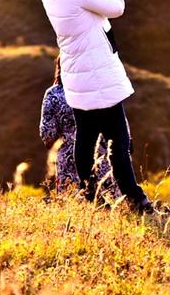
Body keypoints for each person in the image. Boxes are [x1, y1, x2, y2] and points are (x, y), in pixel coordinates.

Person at [36, 0, 155, 213]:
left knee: (86, 137)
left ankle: (91, 196)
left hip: (76, 70)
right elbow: (115, 8)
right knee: (119, 140)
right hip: (96, 72)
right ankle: (136, 200)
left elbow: (87, 12)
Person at [39, 56, 118, 199]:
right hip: (103, 159)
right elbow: (119, 124)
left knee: (73, 205)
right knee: (109, 206)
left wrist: (65, 142)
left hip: (69, 162)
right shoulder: (100, 90)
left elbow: (47, 134)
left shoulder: (53, 94)